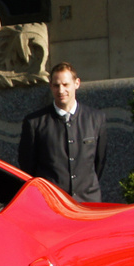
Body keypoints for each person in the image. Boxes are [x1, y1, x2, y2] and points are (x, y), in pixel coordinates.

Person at [18, 62, 108, 202]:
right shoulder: (34, 123)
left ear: (76, 83)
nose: (61, 91)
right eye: (56, 85)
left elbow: (99, 161)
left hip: (88, 202)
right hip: (51, 203)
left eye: (65, 85)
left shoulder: (96, 119)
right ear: (51, 86)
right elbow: (28, 166)